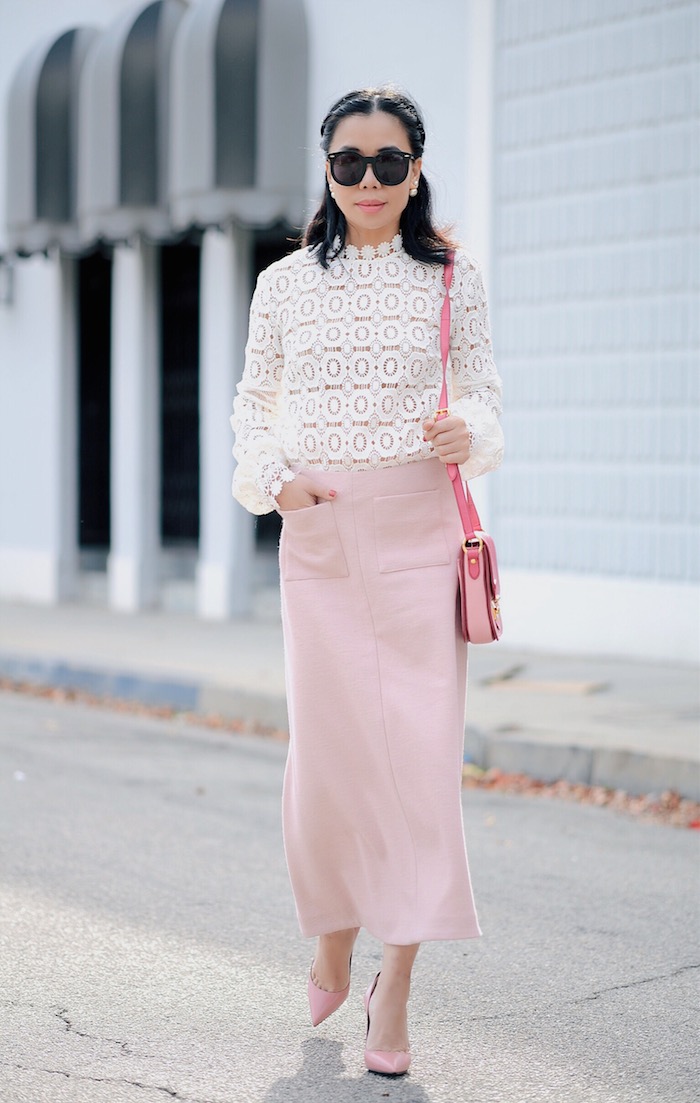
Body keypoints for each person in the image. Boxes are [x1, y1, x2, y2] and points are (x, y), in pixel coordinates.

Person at [231, 86, 503, 1077]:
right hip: (321, 540)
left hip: (418, 534)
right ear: (327, 170)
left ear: (416, 169)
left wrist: (468, 429)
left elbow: (484, 392)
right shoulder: (284, 284)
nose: (371, 181)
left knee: (418, 766)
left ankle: (395, 985)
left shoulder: (452, 279)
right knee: (332, 763)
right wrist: (276, 481)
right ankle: (333, 933)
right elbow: (253, 405)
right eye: (350, 162)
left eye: (390, 162)